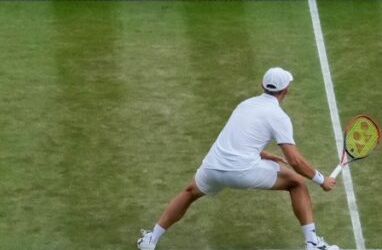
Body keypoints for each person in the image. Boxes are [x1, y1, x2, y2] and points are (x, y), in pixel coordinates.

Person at [136, 67, 340, 250]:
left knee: (189, 192)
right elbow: (295, 161)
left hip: (214, 166)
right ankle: (313, 244)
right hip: (243, 171)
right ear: (286, 90)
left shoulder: (246, 104)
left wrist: (262, 154)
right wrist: (322, 180)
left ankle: (151, 240)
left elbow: (234, 138)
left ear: (262, 85)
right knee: (297, 183)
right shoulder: (279, 117)